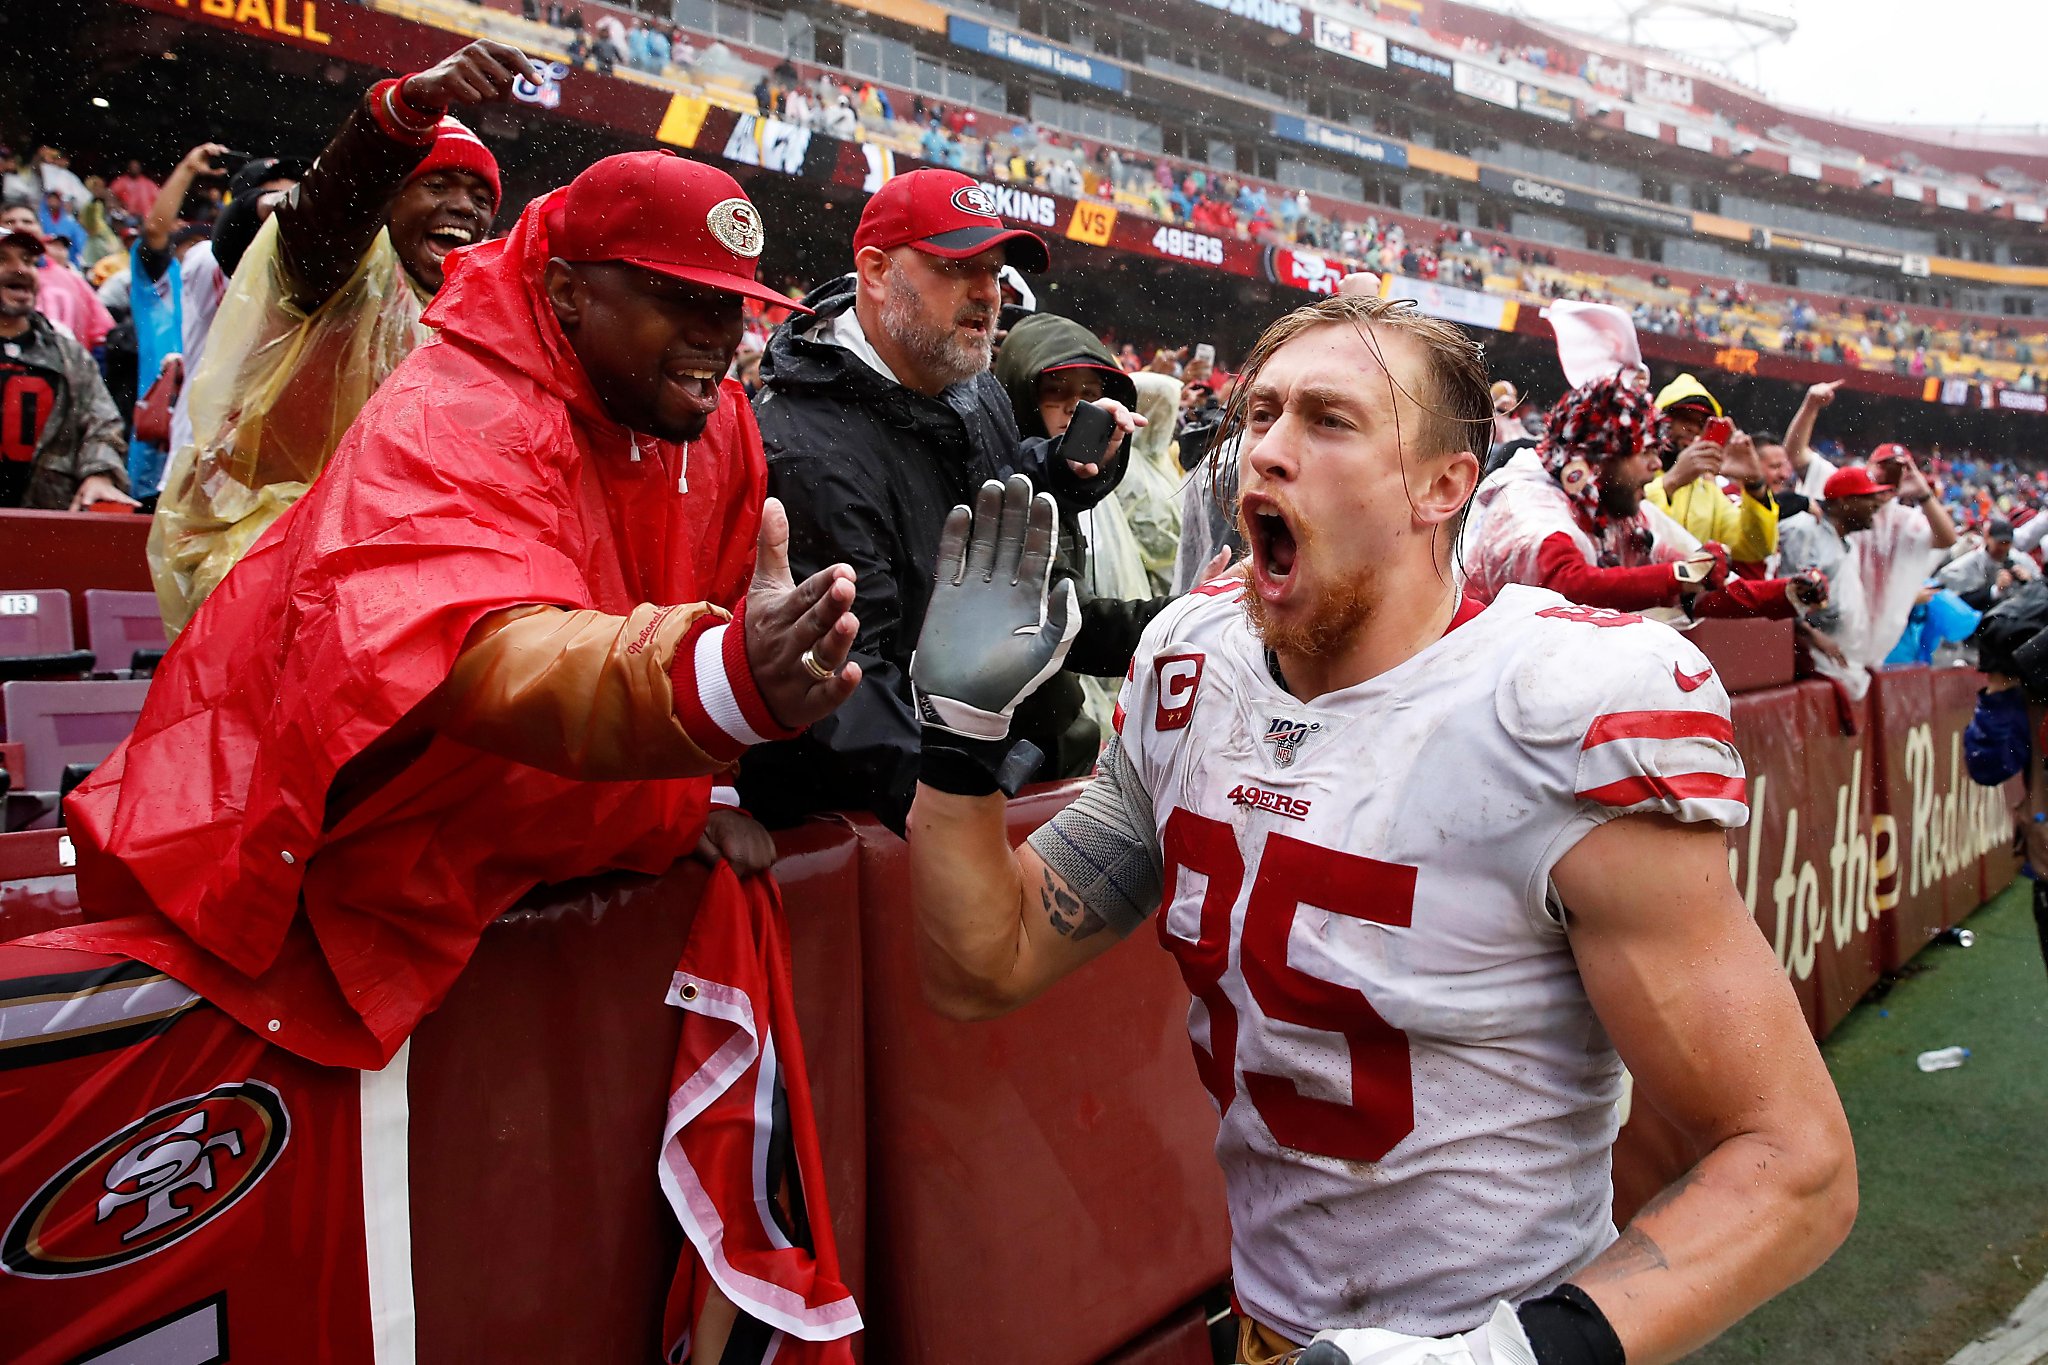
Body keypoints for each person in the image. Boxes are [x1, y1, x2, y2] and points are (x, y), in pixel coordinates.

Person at [902, 294, 1856, 1364]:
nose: (1265, 449)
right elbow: (985, 962)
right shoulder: (1190, 665)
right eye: (1258, 413)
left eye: (1326, 419)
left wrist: (1500, 1357)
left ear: (1443, 486)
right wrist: (957, 744)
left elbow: (1792, 1160)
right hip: (1270, 1329)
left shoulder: (1555, 705)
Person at [738, 168, 1136, 831]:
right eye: (960, 268)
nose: (990, 293)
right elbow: (845, 681)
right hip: (861, 824)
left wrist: (1063, 471)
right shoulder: (808, 448)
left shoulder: (964, 382)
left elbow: (985, 505)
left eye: (997, 271)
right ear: (875, 271)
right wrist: (959, 799)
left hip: (963, 767)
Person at [148, 38, 527, 635]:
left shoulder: (465, 318)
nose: (464, 208)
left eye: (481, 198)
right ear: (388, 198)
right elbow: (332, 208)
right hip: (262, 573)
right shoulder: (337, 270)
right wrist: (407, 112)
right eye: (437, 185)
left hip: (372, 586)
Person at [1462, 374, 1815, 624]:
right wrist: (1681, 575)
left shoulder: (1616, 510)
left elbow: (1698, 588)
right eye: (1643, 452)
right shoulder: (1531, 501)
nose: (1654, 465)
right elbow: (1567, 583)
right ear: (1599, 457)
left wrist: (1786, 594)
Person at [1776, 450, 1957, 700]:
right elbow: (1781, 594)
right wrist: (1808, 634)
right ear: (1843, 502)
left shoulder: (1844, 542)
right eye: (1867, 499)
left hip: (1837, 662)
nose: (1875, 507)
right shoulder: (1805, 531)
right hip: (1808, 661)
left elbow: (1947, 538)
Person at [0, 227, 134, 510]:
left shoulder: (69, 355)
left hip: (44, 522)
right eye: (2, 259)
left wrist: (100, 473)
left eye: (28, 261)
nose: (20, 269)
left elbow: (102, 424)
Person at [1646, 374, 1776, 570]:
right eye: (1685, 419)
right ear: (1660, 420)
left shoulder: (1708, 491)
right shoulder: (1635, 468)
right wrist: (1672, 481)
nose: (1693, 428)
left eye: (1702, 424)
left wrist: (1755, 486)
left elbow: (1756, 549)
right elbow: (1634, 534)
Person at [1938, 516, 2037, 610]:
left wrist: (2029, 581)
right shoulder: (1968, 563)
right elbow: (1957, 602)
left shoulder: (2021, 560)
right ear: (1987, 538)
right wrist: (1995, 590)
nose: (2003, 547)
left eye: (2007, 543)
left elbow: (2041, 589)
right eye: (2000, 542)